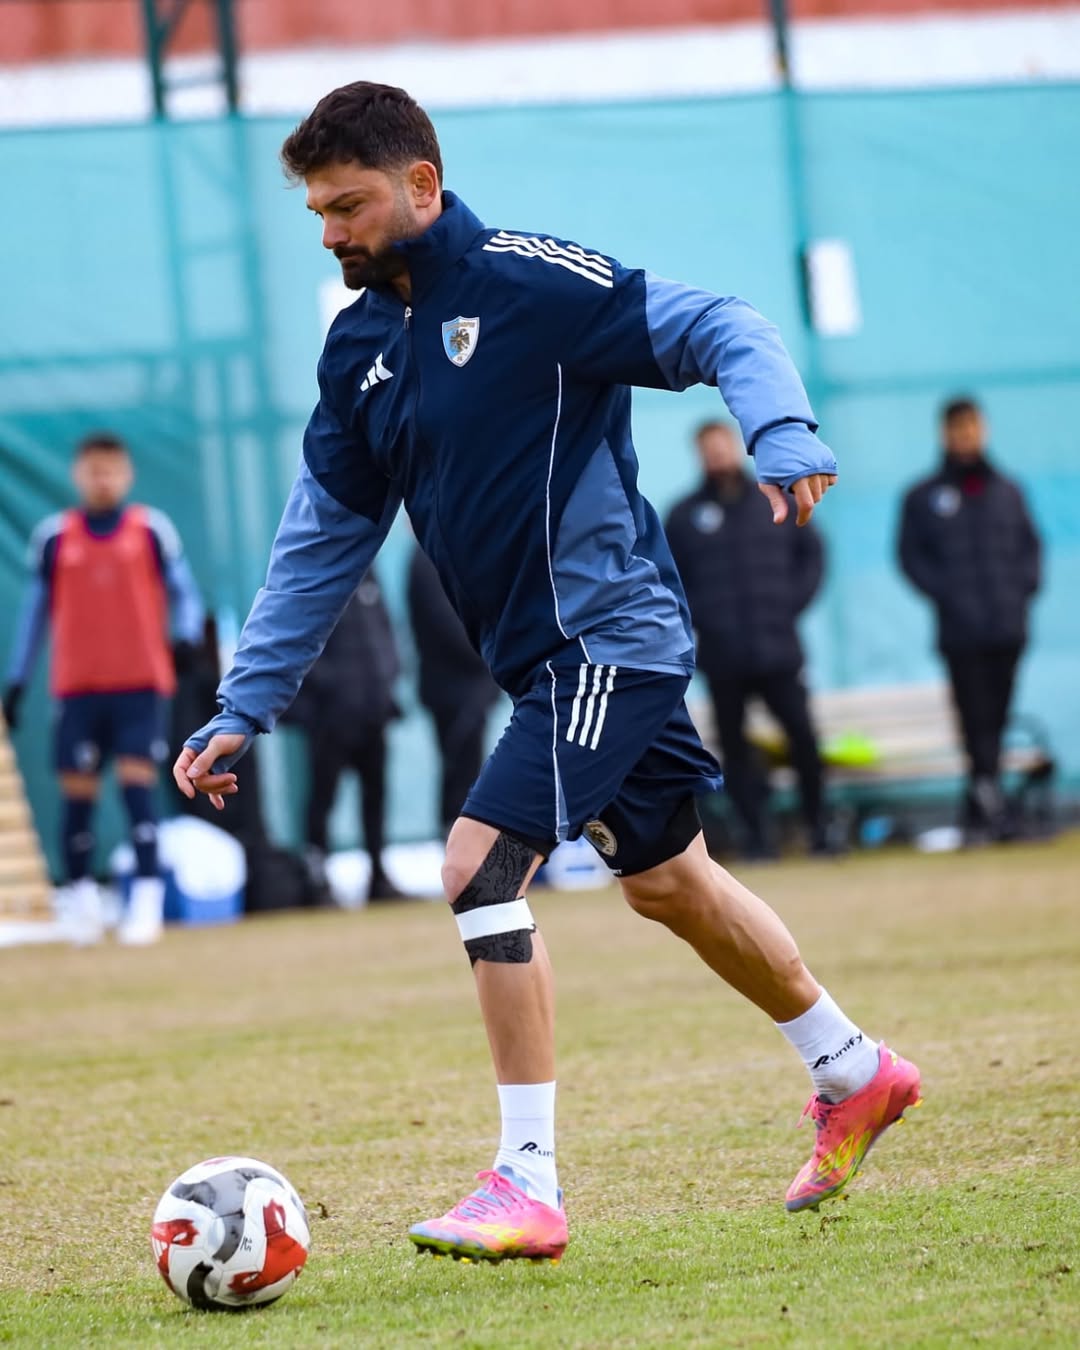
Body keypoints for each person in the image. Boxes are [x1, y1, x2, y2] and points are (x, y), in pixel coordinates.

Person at [172, 82, 921, 1263]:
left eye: (349, 206)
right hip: (544, 668)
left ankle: (526, 1182)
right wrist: (245, 702)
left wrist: (780, 429)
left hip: (608, 640)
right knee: (670, 884)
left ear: (423, 185)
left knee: (475, 866)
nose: (331, 233)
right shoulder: (359, 350)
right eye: (317, 213)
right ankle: (853, 1067)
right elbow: (322, 539)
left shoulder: (532, 284)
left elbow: (723, 325)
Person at [3, 430, 204, 945]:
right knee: (78, 797)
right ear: (78, 475)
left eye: (111, 470)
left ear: (127, 475)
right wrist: (18, 680)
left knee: (138, 789)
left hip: (139, 686)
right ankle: (82, 904)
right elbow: (33, 616)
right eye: (94, 471)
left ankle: (146, 903)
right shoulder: (55, 538)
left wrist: (186, 639)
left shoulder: (151, 530)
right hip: (78, 690)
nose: (103, 480)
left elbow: (186, 594)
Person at [666, 421, 828, 858]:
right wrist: (705, 619)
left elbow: (813, 556)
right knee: (734, 750)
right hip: (723, 656)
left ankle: (819, 828)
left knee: (803, 738)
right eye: (709, 448)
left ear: (736, 447)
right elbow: (670, 581)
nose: (718, 454)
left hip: (779, 649)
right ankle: (756, 838)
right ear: (699, 454)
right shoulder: (684, 517)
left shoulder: (774, 500)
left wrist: (788, 603)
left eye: (723, 445)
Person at [898, 396, 1041, 841]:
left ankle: (984, 801)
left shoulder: (1008, 491)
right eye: (958, 429)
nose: (966, 436)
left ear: (984, 430)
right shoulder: (924, 496)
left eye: (973, 427)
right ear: (945, 434)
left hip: (1007, 627)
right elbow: (910, 556)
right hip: (961, 633)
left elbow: (1030, 549)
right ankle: (988, 803)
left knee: (997, 719)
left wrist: (1020, 592)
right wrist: (949, 595)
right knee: (975, 719)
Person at [286, 572, 404, 901]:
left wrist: (385, 680)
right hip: (331, 718)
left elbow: (386, 633)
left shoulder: (369, 575)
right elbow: (299, 645)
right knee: (323, 798)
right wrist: (335, 689)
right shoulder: (312, 574)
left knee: (375, 796)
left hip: (373, 711)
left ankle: (378, 875)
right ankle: (316, 880)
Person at [407, 544, 501, 836]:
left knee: (471, 772)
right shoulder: (428, 559)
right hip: (452, 691)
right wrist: (491, 653)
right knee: (461, 775)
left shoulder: (455, 553)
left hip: (470, 689)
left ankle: (468, 843)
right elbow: (446, 625)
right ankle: (460, 846)